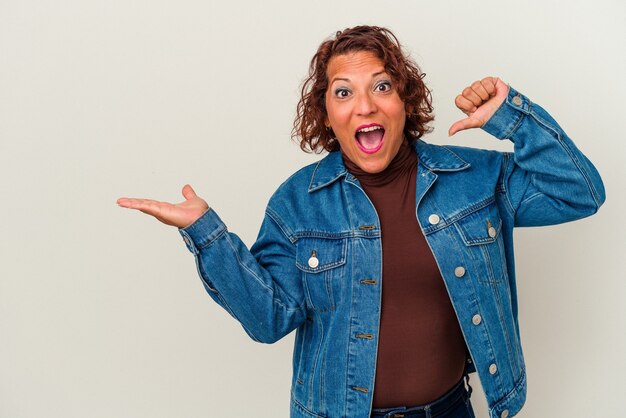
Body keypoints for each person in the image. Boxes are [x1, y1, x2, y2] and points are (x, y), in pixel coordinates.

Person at [117, 26, 605, 418]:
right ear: (327, 115)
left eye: (382, 86)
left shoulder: (475, 180)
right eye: (344, 92)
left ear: (405, 102)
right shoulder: (297, 203)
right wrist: (206, 232)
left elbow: (580, 192)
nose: (365, 105)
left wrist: (512, 118)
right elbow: (268, 320)